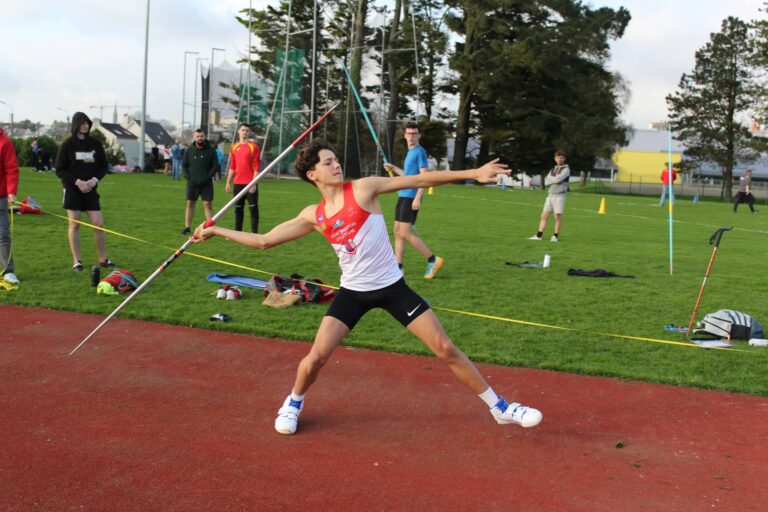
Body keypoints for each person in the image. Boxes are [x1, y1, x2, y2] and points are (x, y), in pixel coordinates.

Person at [193, 138, 542, 435]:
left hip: (393, 288)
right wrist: (216, 230)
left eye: (336, 160)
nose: (336, 166)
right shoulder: (312, 215)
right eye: (327, 163)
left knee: (445, 349)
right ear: (312, 174)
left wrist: (473, 173)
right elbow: (264, 241)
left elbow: (417, 180)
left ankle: (500, 407)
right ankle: (293, 402)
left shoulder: (363, 188)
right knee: (316, 357)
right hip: (353, 293)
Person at [55, 112, 116, 271]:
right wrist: (77, 182)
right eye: (82, 123)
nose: (86, 126)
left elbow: (103, 166)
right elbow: (60, 169)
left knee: (98, 223)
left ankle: (103, 259)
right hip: (73, 191)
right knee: (74, 225)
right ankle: (77, 261)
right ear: (76, 125)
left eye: (87, 123)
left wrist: (94, 180)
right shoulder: (67, 145)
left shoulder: (95, 144)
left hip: (90, 191)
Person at [382, 123, 443, 279]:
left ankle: (432, 259)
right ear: (405, 135)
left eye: (414, 133)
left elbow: (424, 177)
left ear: (419, 136)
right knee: (398, 232)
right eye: (409, 133)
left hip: (411, 197)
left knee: (405, 232)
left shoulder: (420, 152)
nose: (411, 136)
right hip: (404, 194)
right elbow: (410, 176)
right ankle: (398, 267)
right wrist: (394, 168)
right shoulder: (410, 152)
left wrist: (417, 198)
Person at [225, 123, 261, 232]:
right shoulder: (234, 147)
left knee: (253, 209)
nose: (245, 132)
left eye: (247, 130)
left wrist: (253, 183)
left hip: (250, 183)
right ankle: (238, 232)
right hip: (237, 184)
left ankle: (254, 233)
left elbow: (257, 166)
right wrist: (228, 182)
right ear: (238, 132)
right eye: (243, 130)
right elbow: (232, 166)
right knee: (238, 209)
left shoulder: (253, 147)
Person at [181, 129, 217, 235]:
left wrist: (208, 176)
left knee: (208, 205)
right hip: (192, 183)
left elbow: (215, 166)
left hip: (206, 183)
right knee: (190, 204)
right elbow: (184, 165)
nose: (200, 138)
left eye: (201, 136)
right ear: (194, 137)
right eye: (197, 136)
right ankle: (187, 227)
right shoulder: (189, 150)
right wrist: (188, 176)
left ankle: (211, 228)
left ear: (204, 136)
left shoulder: (211, 150)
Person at [528, 149, 570, 242]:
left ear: (564, 159)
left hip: (560, 196)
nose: (559, 159)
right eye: (558, 158)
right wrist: (553, 178)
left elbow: (556, 180)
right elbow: (549, 178)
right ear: (555, 159)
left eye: (561, 158)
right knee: (544, 216)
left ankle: (555, 237)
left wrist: (552, 178)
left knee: (557, 217)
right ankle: (539, 236)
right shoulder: (553, 169)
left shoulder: (566, 169)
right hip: (550, 195)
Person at [0, 127, 20, 285]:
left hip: (0, 197)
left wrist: (11, 191)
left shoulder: (5, 143)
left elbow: (11, 168)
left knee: (3, 236)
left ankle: (8, 271)